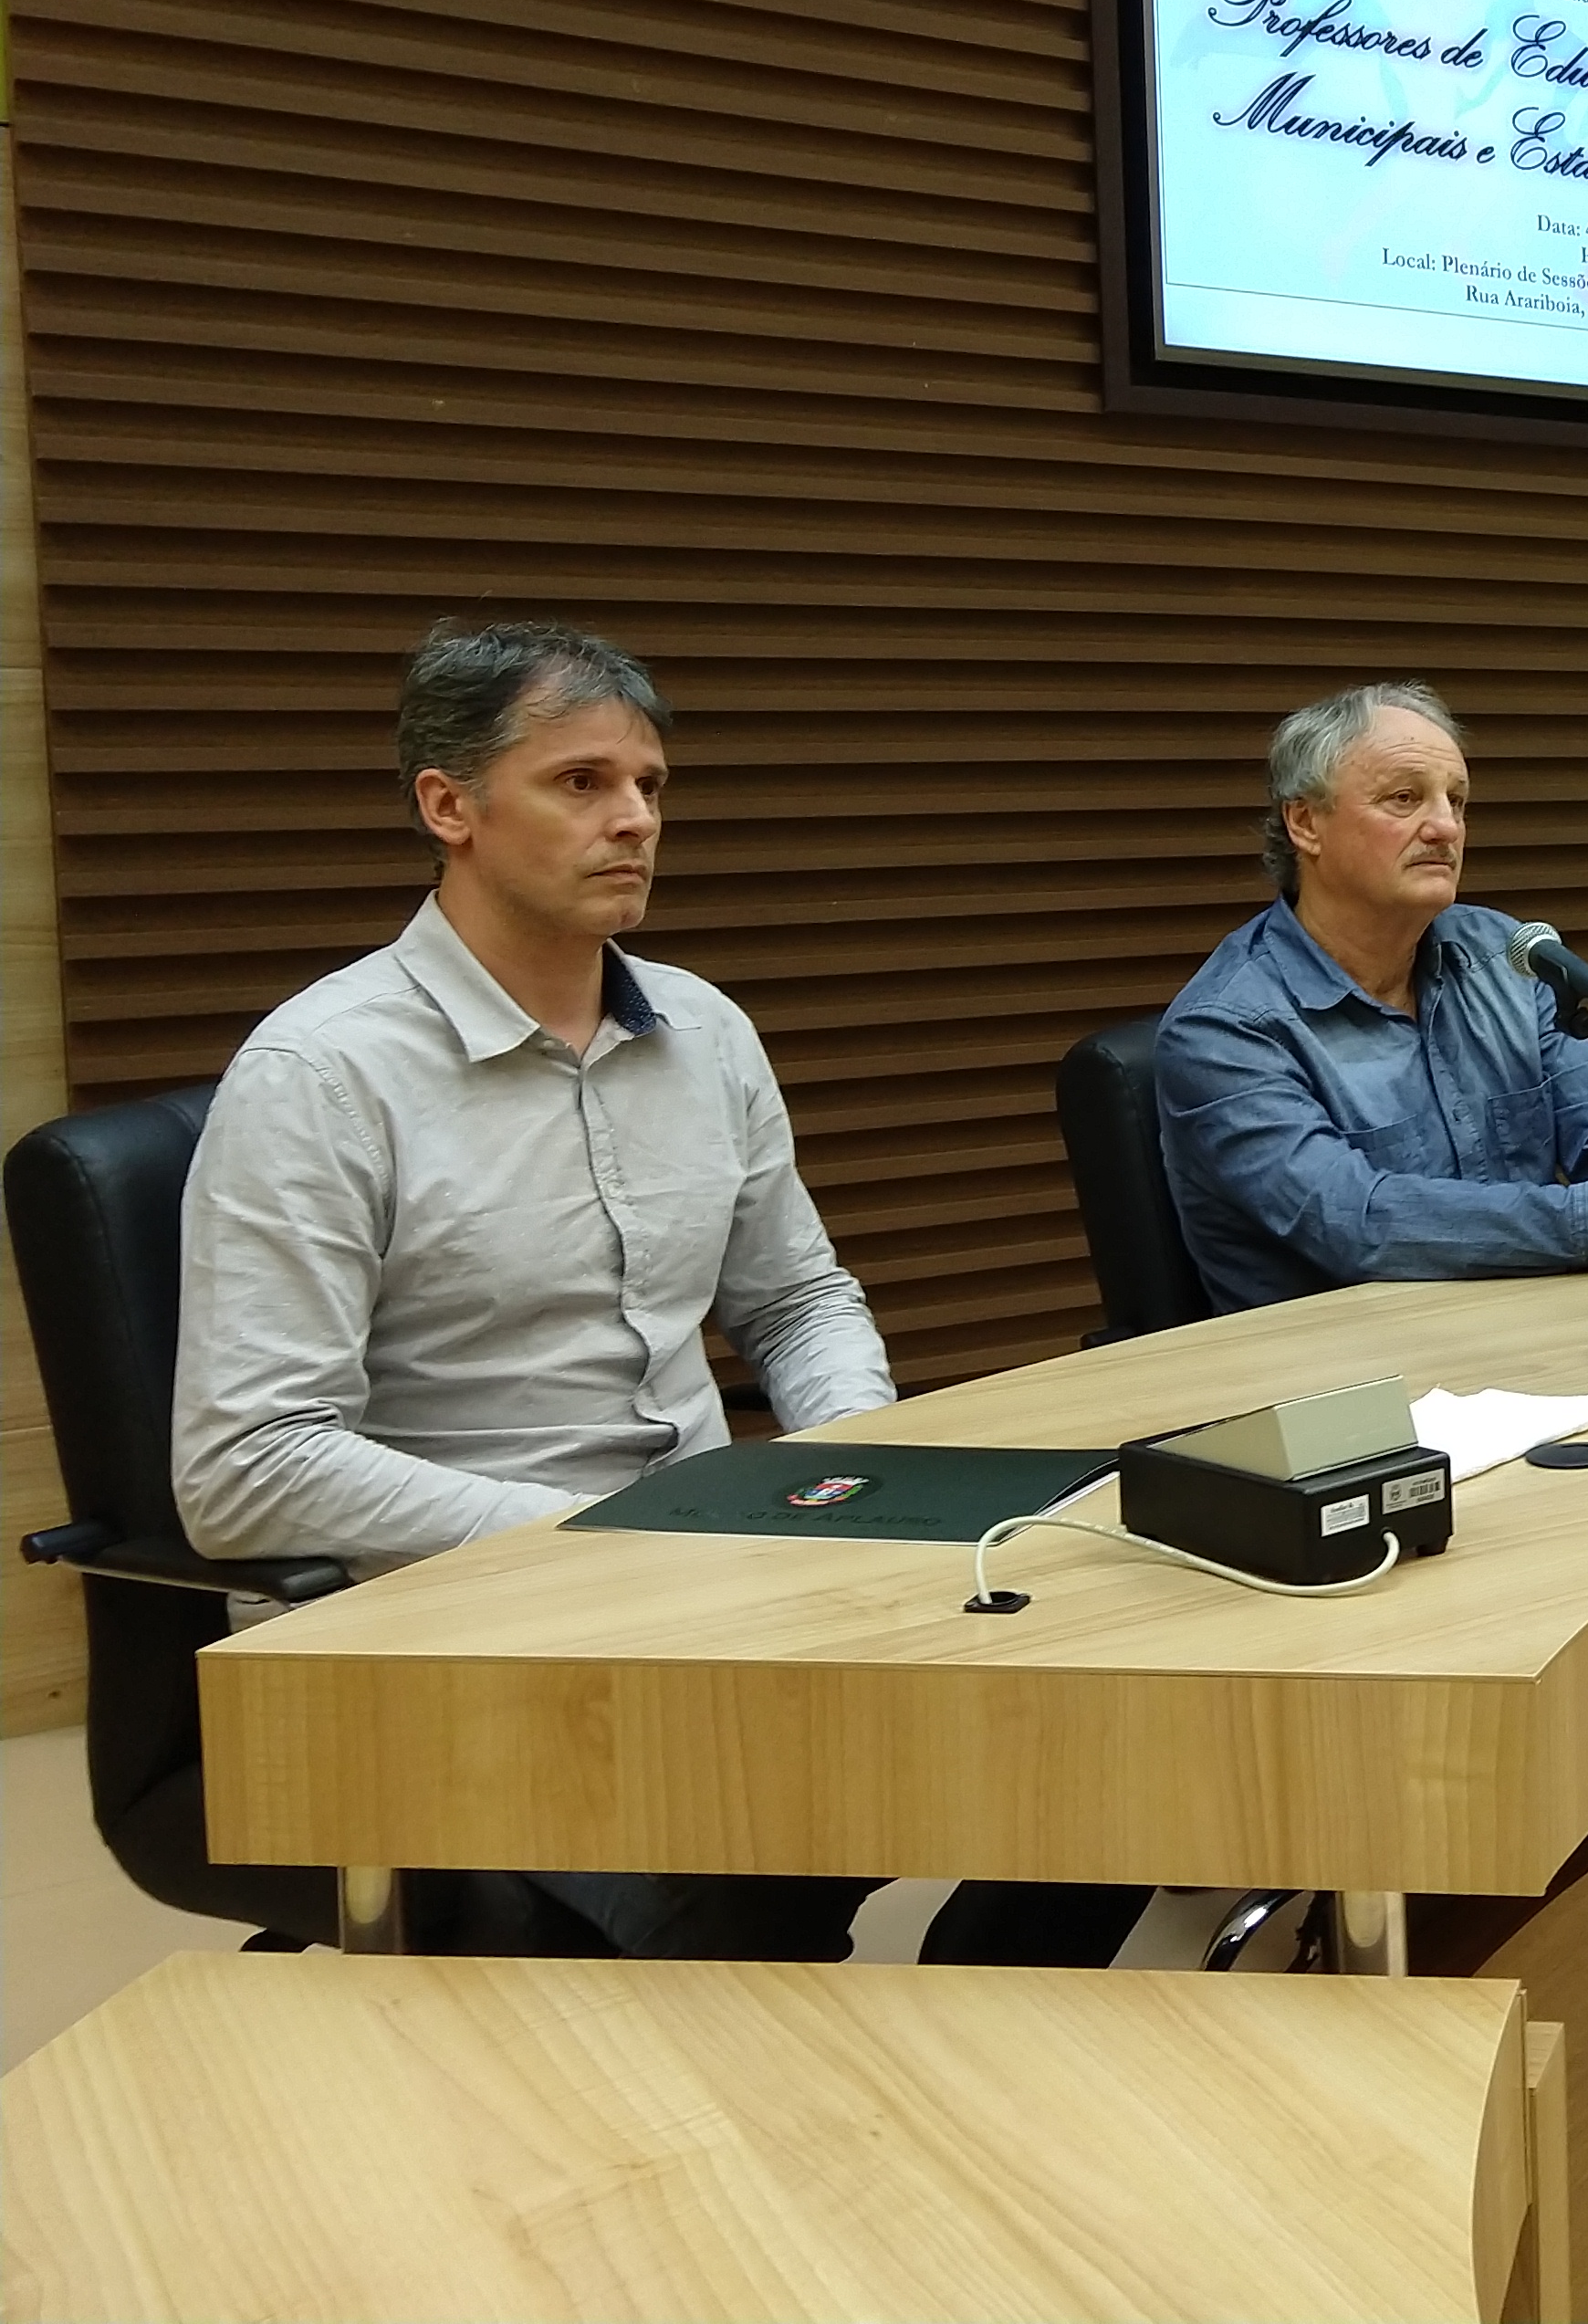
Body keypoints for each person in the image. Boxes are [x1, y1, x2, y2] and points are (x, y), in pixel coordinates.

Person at [172, 619, 1144, 1966]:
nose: (633, 820)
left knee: (1118, 1731)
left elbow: (799, 1300)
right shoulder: (322, 1076)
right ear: (448, 806)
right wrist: (604, 1535)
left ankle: (961, 2034)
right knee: (744, 1862)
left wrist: (855, 1476)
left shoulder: (704, 1030)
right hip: (457, 1626)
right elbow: (246, 1465)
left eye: (649, 786)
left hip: (714, 1584)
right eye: (582, 783)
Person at [1157, 682, 1588, 1313]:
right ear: (1305, 823)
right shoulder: (1226, 1027)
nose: (1445, 827)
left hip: (1513, 1339)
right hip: (1335, 1392)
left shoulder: (1500, 955)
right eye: (1404, 799)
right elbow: (1361, 1225)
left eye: (1458, 800)